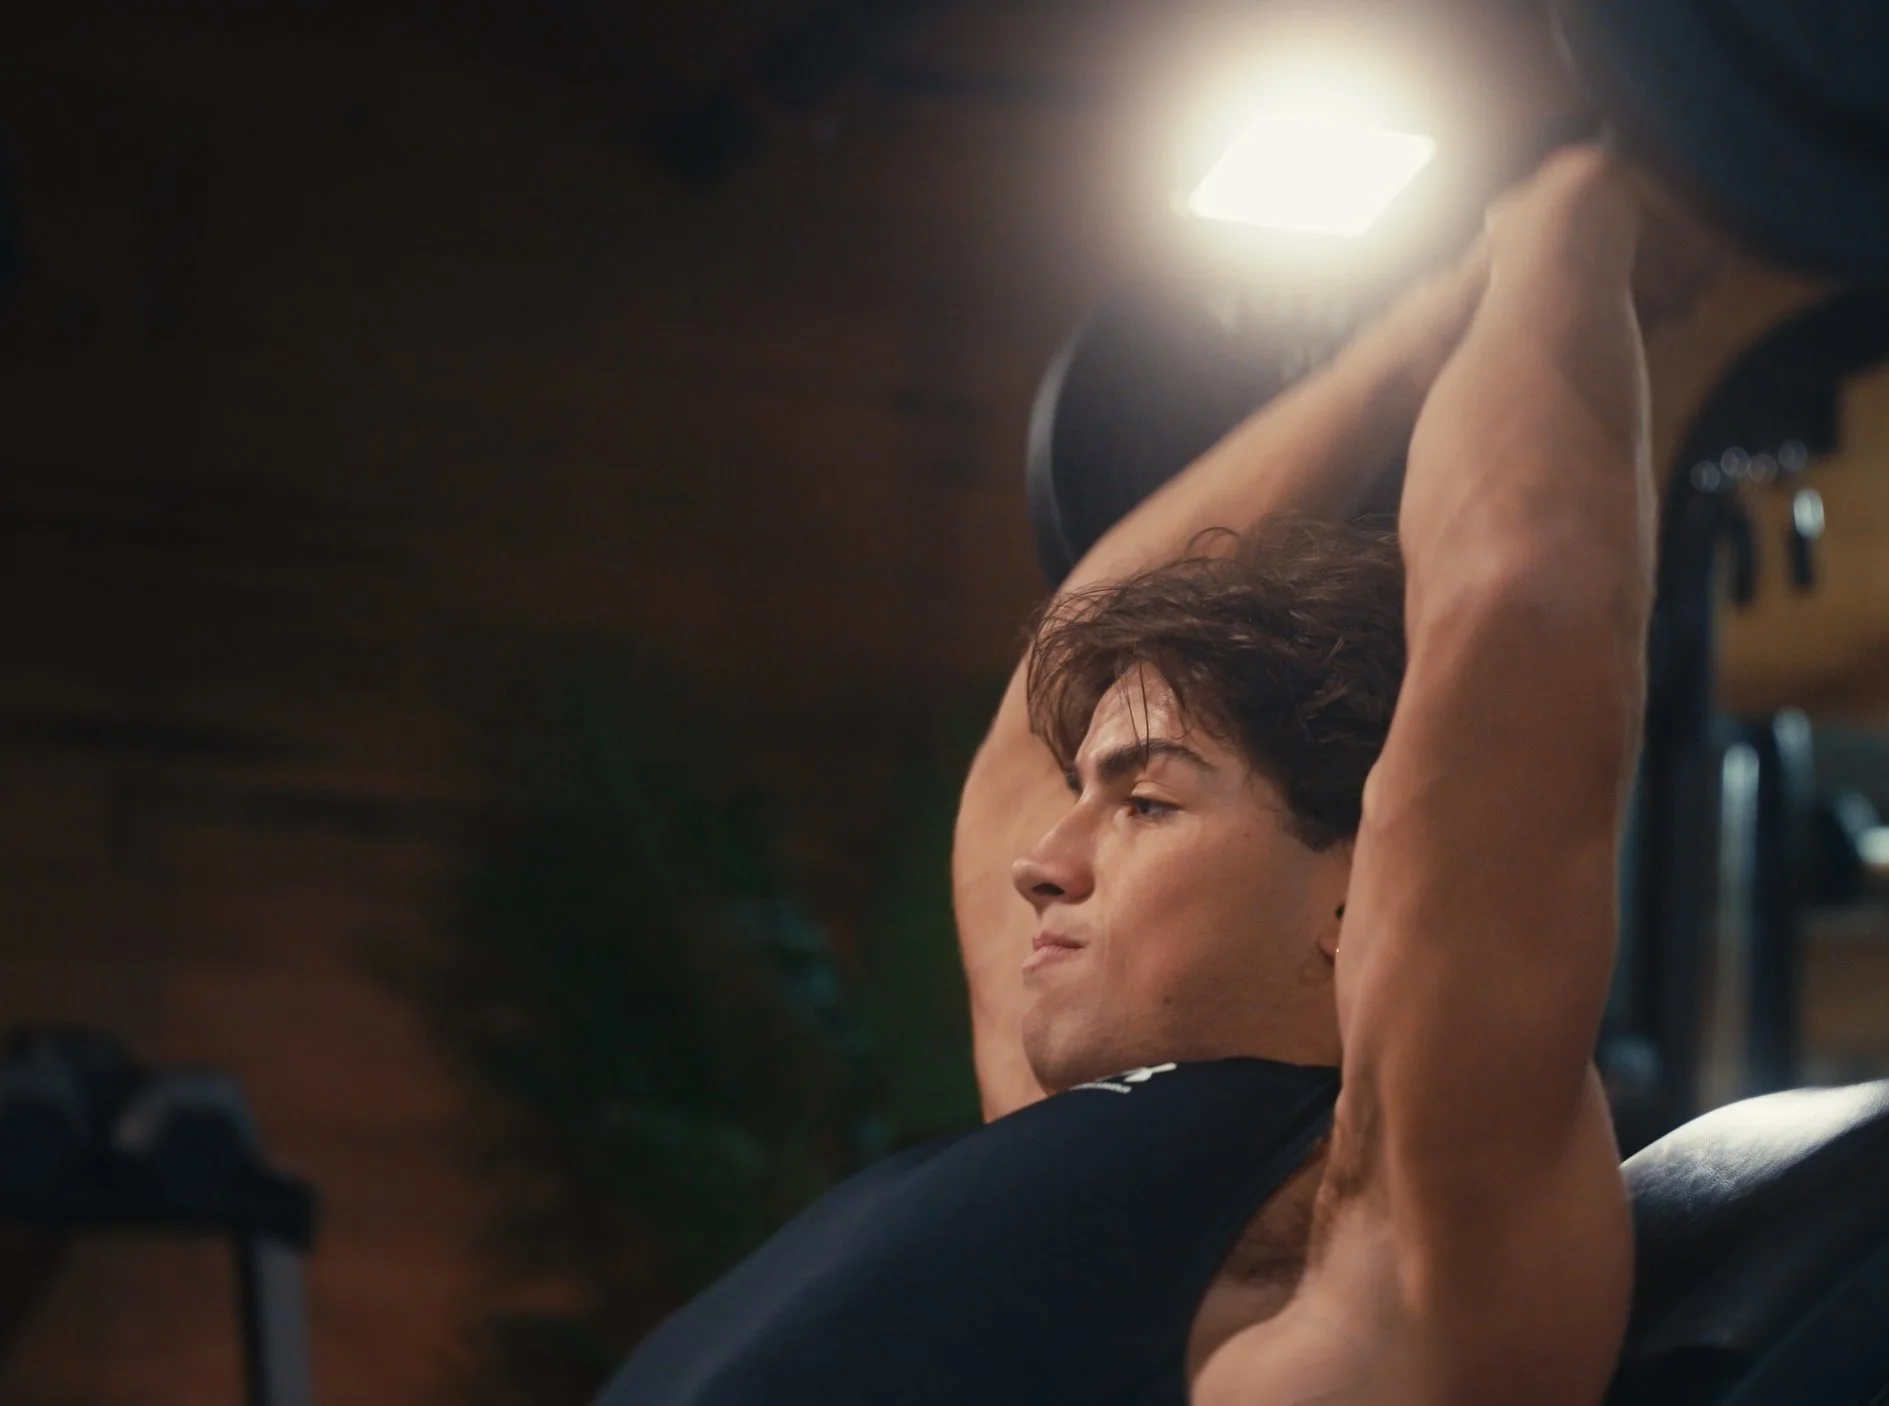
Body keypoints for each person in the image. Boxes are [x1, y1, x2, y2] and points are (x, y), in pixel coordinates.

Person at [599, 145, 1783, 1406]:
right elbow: (1034, 715)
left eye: (1147, 802)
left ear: (1357, 902)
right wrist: (1405, 346)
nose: (1042, 863)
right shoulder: (1078, 1148)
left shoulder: (1343, 1255)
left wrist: (1571, 221)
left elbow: (1520, 603)